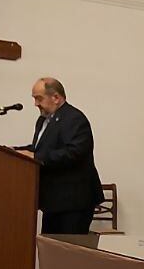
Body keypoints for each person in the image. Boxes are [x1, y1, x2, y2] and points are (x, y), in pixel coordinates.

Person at [16, 77, 102, 235]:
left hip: (73, 202)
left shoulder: (74, 118)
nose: (35, 104)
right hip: (53, 201)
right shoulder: (43, 120)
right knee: (50, 247)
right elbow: (39, 149)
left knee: (67, 249)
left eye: (39, 98)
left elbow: (74, 152)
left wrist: (36, 157)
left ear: (56, 97)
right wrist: (15, 151)